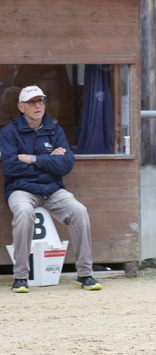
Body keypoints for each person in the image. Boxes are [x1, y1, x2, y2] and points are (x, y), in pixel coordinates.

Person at [0, 86, 102, 292]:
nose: (38, 105)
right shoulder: (9, 132)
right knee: (24, 211)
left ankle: (85, 274)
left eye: (41, 101)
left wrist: (33, 159)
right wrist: (49, 161)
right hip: (22, 189)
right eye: (32, 102)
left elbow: (66, 164)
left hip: (53, 189)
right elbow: (10, 166)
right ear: (21, 107)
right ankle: (21, 277)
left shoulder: (55, 129)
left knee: (79, 211)